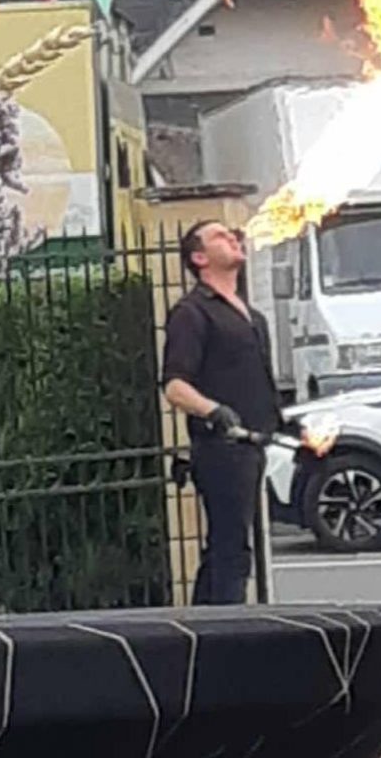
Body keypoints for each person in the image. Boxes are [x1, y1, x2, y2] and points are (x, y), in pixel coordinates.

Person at [162, 219, 325, 605]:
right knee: (232, 551)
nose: (233, 238)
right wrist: (214, 410)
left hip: (252, 448)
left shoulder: (254, 318)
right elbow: (174, 386)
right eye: (220, 236)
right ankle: (226, 629)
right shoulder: (192, 313)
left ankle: (201, 628)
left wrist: (289, 426)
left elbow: (256, 384)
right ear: (199, 258)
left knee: (225, 548)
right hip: (220, 448)